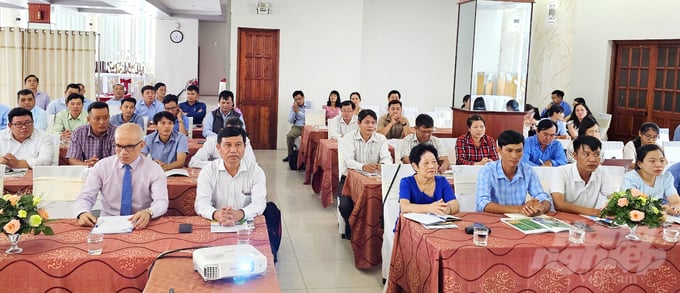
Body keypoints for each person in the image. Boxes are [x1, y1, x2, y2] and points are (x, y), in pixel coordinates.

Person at [73, 123, 168, 229]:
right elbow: (85, 197)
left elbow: (161, 202)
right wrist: (82, 212)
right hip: (108, 223)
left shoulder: (154, 169)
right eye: (119, 146)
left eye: (129, 147)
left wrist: (149, 212)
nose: (123, 152)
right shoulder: (102, 166)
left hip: (141, 222)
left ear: (141, 145)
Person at [194, 126, 266, 225]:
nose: (233, 150)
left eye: (238, 145)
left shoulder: (255, 171)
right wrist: (216, 214)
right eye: (227, 145)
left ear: (244, 147)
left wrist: (241, 213)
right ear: (218, 148)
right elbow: (201, 203)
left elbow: (259, 203)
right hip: (217, 222)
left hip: (245, 222)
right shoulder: (208, 171)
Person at [338, 109, 392, 238]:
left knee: (385, 202)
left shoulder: (381, 139)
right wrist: (363, 167)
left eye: (373, 123)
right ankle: (350, 226)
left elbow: (387, 158)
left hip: (374, 179)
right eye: (367, 122)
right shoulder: (349, 138)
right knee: (345, 206)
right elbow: (348, 161)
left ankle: (375, 232)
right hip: (349, 180)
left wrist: (382, 165)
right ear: (359, 123)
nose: (370, 126)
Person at [476, 130, 552, 215]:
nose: (514, 156)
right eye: (509, 150)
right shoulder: (488, 170)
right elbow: (482, 204)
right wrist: (519, 209)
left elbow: (542, 196)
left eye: (519, 151)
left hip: (520, 220)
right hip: (493, 219)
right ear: (499, 150)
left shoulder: (527, 170)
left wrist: (540, 208)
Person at [551, 136, 615, 216]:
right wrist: (594, 212)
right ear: (575, 156)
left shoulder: (601, 173)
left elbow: (614, 198)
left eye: (596, 154)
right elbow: (559, 204)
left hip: (588, 220)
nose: (592, 159)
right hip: (562, 218)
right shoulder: (561, 171)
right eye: (586, 154)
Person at [399, 143, 459, 215]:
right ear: (415, 166)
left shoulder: (442, 181)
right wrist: (430, 208)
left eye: (434, 162)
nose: (431, 166)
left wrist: (447, 209)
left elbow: (455, 205)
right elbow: (404, 207)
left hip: (438, 222)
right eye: (426, 163)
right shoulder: (406, 182)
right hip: (412, 224)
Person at [622, 144, 680, 214]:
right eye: (652, 161)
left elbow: (676, 201)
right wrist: (662, 208)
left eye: (662, 160)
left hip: (659, 218)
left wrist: (675, 208)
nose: (659, 165)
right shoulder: (630, 178)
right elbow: (632, 205)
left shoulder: (665, 177)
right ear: (640, 164)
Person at [189, 117, 256, 168]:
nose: (232, 134)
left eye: (236, 131)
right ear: (223, 130)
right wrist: (222, 165)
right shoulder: (213, 140)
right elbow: (193, 162)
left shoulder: (245, 142)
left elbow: (252, 164)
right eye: (229, 130)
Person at [66, 102, 116, 167]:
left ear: (109, 117)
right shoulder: (79, 133)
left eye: (105, 118)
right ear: (88, 119)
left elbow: (117, 160)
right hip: (86, 172)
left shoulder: (117, 133)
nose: (102, 122)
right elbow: (72, 159)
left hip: (109, 172)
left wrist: (99, 165)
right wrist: (87, 164)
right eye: (97, 118)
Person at [283, 90, 312, 162]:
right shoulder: (294, 106)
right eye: (296, 99)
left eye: (299, 98)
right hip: (298, 127)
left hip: (308, 126)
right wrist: (294, 111)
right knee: (289, 136)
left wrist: (298, 112)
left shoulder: (310, 104)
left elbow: (309, 116)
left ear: (303, 97)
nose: (298, 101)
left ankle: (309, 158)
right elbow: (290, 120)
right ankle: (290, 155)